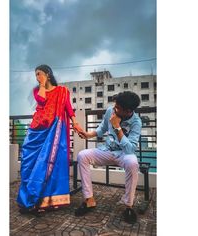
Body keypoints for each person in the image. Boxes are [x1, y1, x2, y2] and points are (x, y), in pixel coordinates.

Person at [17, 64, 83, 214]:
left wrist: (76, 124)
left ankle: (43, 201)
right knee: (29, 164)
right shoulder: (36, 90)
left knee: (48, 164)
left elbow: (68, 108)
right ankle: (28, 198)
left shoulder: (62, 91)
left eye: (39, 74)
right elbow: (41, 100)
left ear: (48, 74)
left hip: (54, 131)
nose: (37, 77)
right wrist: (41, 84)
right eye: (35, 75)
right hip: (36, 131)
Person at [75, 91, 142, 224]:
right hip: (107, 150)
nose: (114, 109)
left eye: (118, 108)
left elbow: (130, 149)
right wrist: (88, 134)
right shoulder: (111, 111)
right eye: (115, 106)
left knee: (133, 163)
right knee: (83, 155)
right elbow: (102, 128)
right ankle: (89, 200)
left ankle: (128, 206)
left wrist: (117, 127)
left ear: (128, 111)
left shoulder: (136, 122)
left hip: (124, 154)